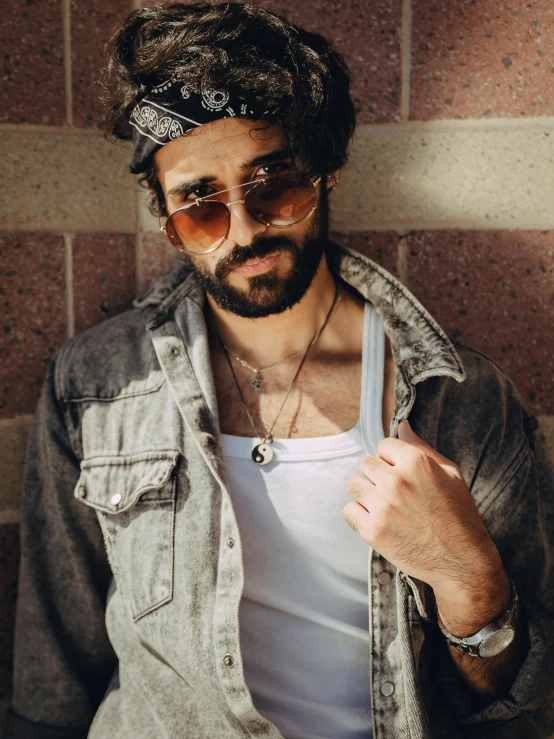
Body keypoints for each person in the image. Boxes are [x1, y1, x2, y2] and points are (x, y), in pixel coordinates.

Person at [5, 3, 554, 738]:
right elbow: (52, 681)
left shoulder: (461, 400)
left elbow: (521, 707)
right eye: (200, 206)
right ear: (162, 212)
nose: (245, 229)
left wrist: (468, 579)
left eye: (275, 184)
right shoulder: (94, 385)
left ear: (326, 173)